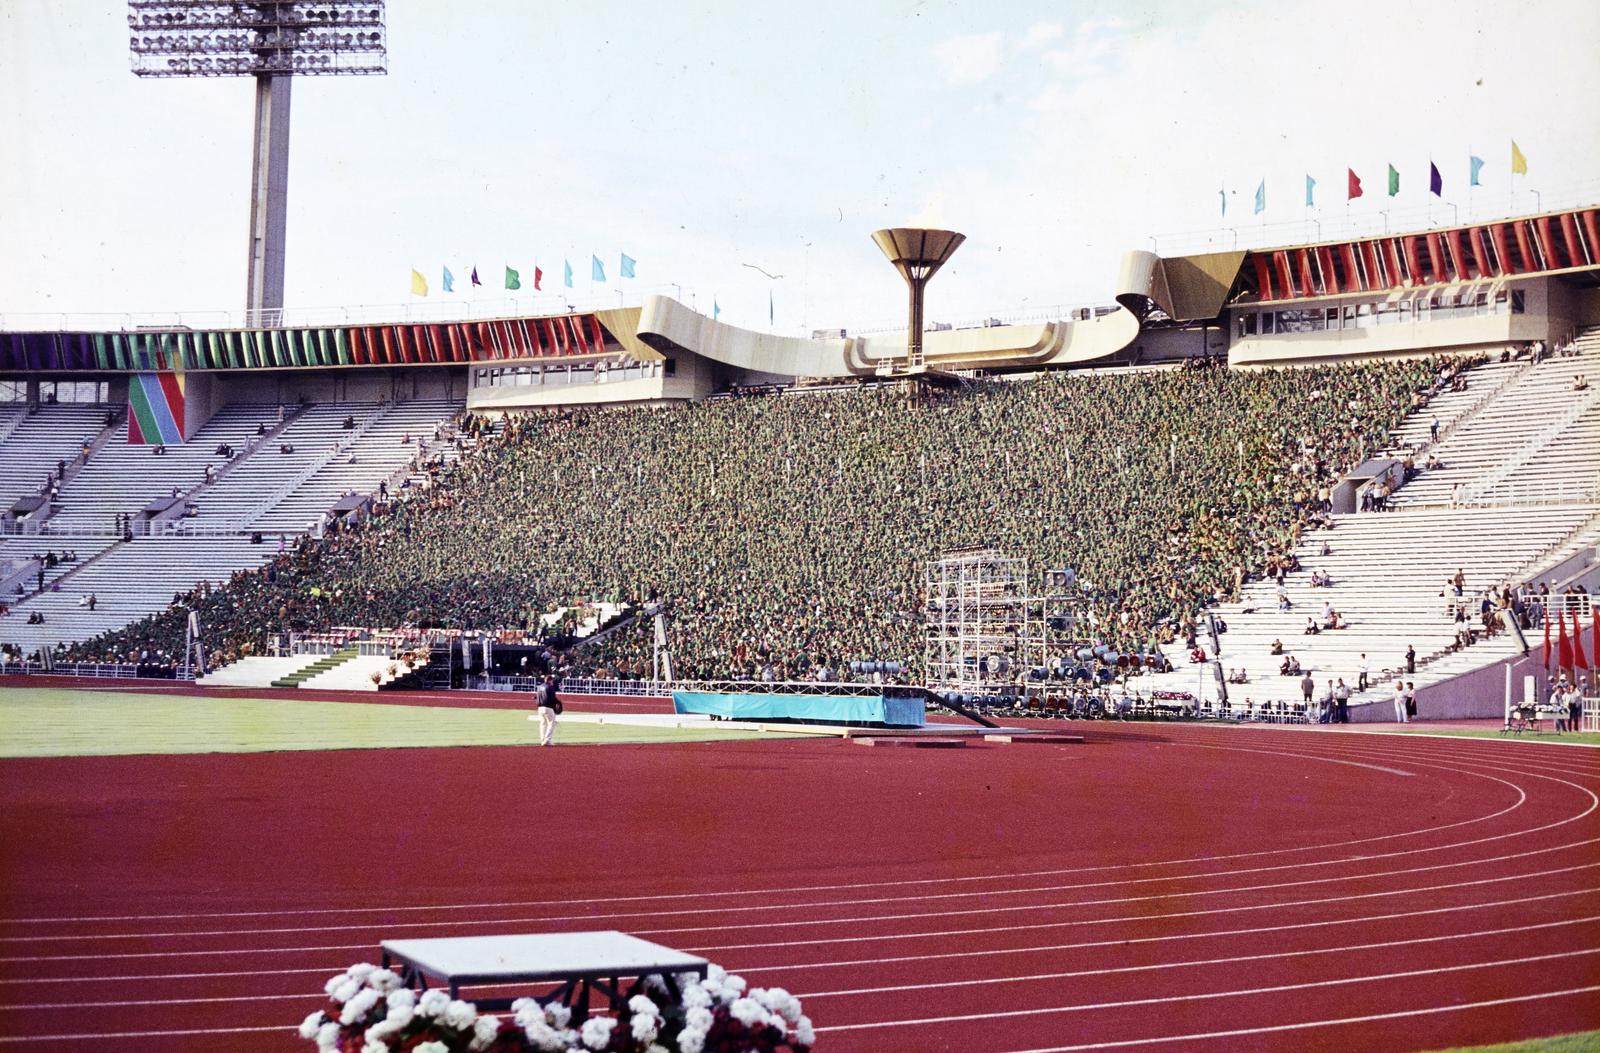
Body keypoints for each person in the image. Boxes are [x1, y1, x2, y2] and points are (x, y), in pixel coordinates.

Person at [535, 674, 561, 746]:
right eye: (552, 680)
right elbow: (552, 698)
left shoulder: (540, 687)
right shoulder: (550, 687)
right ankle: (547, 740)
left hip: (540, 708)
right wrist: (557, 704)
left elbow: (536, 697)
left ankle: (542, 740)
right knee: (552, 723)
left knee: (543, 724)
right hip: (548, 707)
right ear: (550, 680)